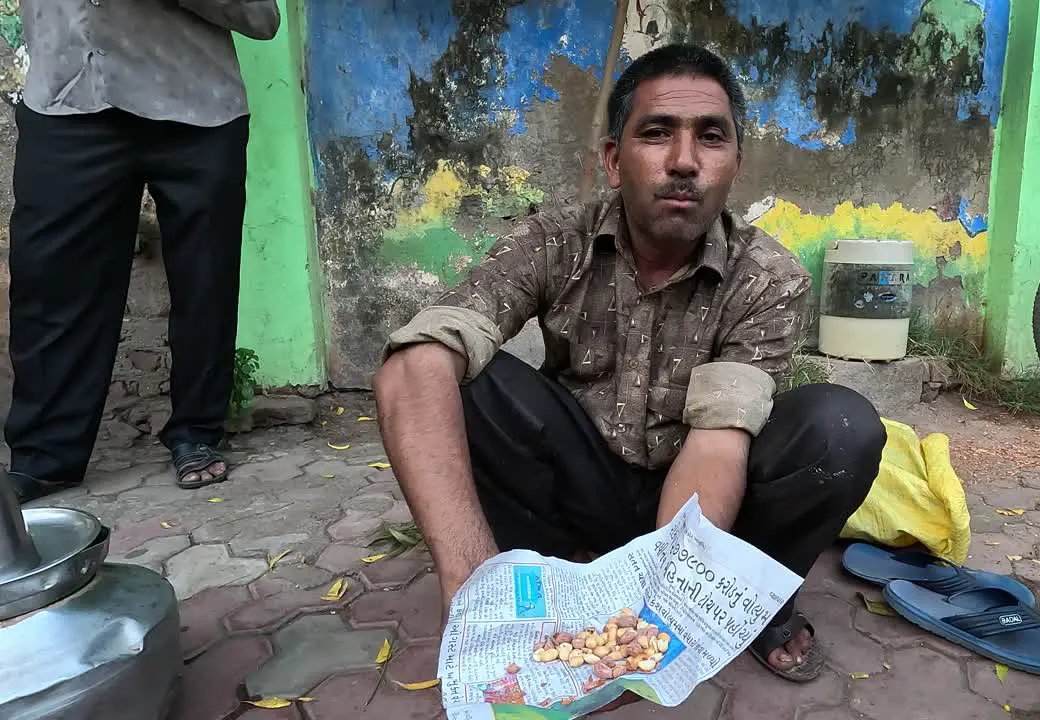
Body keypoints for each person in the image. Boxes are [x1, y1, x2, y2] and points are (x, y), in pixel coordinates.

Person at [374, 44, 885, 688]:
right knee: (457, 376)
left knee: (840, 427)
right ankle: (538, 584)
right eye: (655, 134)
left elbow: (718, 443)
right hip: (584, 478)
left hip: (702, 497)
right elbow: (412, 366)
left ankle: (744, 605)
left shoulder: (768, 278)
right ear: (614, 161)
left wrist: (656, 615)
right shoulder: (555, 239)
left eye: (710, 138)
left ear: (734, 164)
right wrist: (468, 582)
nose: (683, 162)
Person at [6, 0, 280, 503]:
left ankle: (197, 431)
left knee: (205, 279)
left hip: (194, 101)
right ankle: (45, 456)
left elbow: (262, 18)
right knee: (49, 279)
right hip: (64, 98)